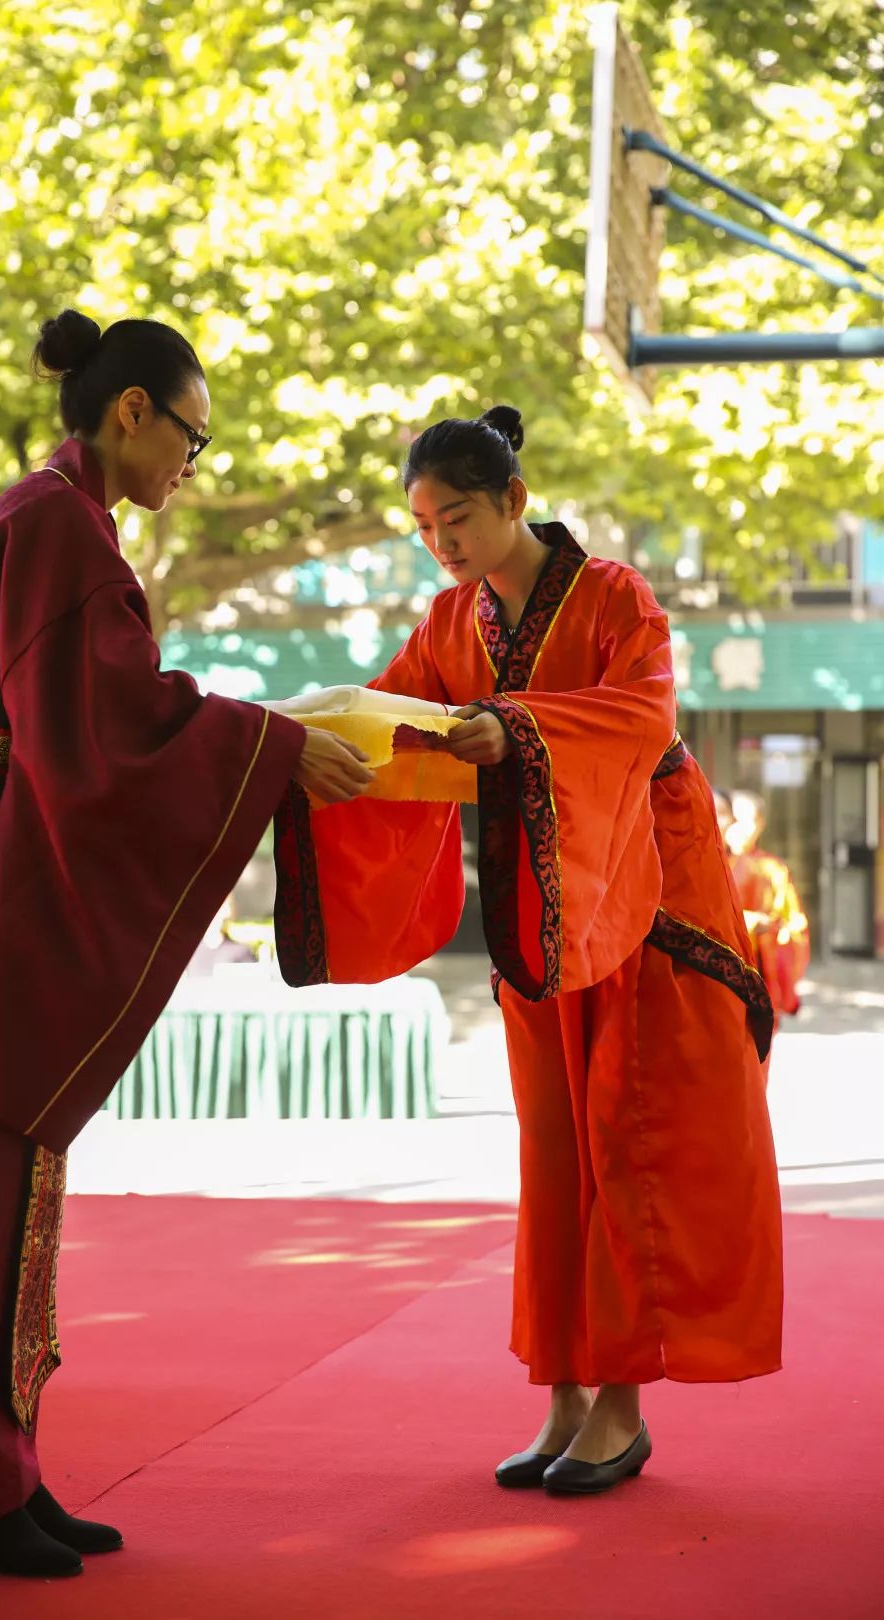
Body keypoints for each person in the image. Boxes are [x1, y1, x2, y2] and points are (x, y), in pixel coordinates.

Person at [0, 309, 373, 1577]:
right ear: (131, 411)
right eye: (192, 431)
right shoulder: (56, 526)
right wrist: (275, 746)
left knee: (0, 1183)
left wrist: (265, 734)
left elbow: (97, 722)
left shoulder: (52, 520)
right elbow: (108, 725)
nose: (194, 459)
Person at [274, 407, 782, 1496]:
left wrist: (519, 728)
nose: (441, 542)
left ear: (511, 499)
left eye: (455, 515)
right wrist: (309, 731)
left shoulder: (613, 596)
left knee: (623, 1125)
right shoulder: (454, 617)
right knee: (551, 1134)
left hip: (645, 879)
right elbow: (398, 707)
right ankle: (562, 1388)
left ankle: (622, 1405)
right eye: (422, 524)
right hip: (538, 892)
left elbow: (643, 720)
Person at [726, 788, 810, 1028]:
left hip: (759, 972)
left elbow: (794, 925)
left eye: (748, 820)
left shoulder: (772, 869)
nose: (739, 828)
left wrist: (771, 930)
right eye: (733, 820)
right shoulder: (709, 863)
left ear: (760, 824)